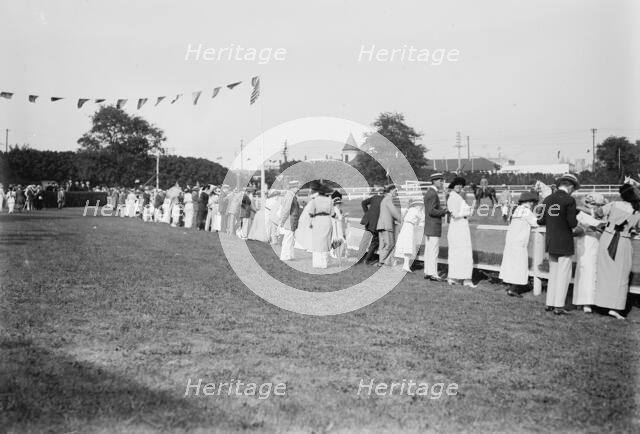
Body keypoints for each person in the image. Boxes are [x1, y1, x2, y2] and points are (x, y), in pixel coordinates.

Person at [593, 184, 640, 319]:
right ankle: (615, 307)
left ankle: (601, 303)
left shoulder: (613, 205)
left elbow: (598, 213)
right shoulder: (637, 211)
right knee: (621, 275)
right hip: (624, 242)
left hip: (607, 238)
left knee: (604, 272)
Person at [537, 173, 579, 315]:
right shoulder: (570, 200)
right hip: (564, 241)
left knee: (553, 273)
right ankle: (559, 305)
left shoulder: (548, 199)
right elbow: (572, 223)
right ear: (571, 186)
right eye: (574, 188)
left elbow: (540, 220)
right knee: (564, 274)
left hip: (551, 240)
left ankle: (550, 303)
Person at [499, 191, 539, 297]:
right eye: (533, 203)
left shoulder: (517, 209)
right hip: (519, 243)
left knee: (512, 265)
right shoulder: (526, 211)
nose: (533, 205)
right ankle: (514, 289)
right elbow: (536, 223)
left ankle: (513, 287)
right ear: (529, 202)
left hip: (511, 242)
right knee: (520, 266)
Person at [572, 193, 607, 312]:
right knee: (586, 271)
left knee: (590, 272)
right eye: (595, 205)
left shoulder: (600, 217)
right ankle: (585, 302)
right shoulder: (581, 215)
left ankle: (584, 301)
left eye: (599, 205)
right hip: (585, 245)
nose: (597, 207)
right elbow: (579, 229)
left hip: (595, 245)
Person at [446, 177, 475, 287]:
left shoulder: (458, 197)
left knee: (463, 252)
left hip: (462, 226)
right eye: (457, 185)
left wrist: (468, 211)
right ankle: (457, 278)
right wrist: (467, 213)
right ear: (453, 186)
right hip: (457, 227)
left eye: (461, 185)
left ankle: (460, 277)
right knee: (459, 252)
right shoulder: (452, 198)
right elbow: (454, 215)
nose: (459, 187)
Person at [423, 173, 448, 281]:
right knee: (433, 251)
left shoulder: (429, 192)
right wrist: (444, 211)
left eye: (442, 180)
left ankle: (428, 272)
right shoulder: (433, 193)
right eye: (440, 181)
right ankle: (433, 274)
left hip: (429, 227)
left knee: (429, 251)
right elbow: (432, 211)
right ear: (434, 181)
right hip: (433, 226)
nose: (442, 183)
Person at [307, 182, 336, 268]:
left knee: (317, 241)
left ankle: (317, 263)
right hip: (327, 220)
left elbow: (311, 213)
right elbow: (332, 213)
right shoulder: (329, 200)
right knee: (326, 241)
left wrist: (310, 222)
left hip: (317, 220)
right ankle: (324, 263)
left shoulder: (314, 200)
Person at [356, 186, 385, 265]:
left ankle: (359, 258)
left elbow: (363, 203)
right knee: (375, 242)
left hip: (369, 222)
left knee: (365, 241)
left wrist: (367, 213)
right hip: (376, 223)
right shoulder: (385, 200)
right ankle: (367, 259)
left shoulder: (374, 197)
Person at [396, 199, 424, 272]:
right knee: (408, 245)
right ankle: (405, 265)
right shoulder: (416, 211)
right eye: (420, 205)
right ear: (417, 205)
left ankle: (403, 264)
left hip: (405, 227)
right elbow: (422, 219)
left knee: (405, 245)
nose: (421, 207)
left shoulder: (410, 210)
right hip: (409, 228)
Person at [376, 184, 402, 267]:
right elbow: (393, 212)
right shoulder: (388, 199)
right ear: (391, 190)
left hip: (381, 225)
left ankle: (381, 261)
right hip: (386, 225)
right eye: (395, 191)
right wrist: (401, 219)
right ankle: (383, 262)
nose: (396, 193)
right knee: (390, 244)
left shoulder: (385, 199)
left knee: (383, 245)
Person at [278, 180, 301, 261]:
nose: (298, 189)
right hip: (289, 220)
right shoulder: (290, 196)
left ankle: (289, 255)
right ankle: (285, 256)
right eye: (297, 187)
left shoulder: (290, 195)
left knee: (290, 239)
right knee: (288, 239)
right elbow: (286, 210)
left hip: (291, 220)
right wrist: (282, 221)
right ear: (293, 187)